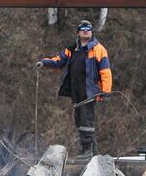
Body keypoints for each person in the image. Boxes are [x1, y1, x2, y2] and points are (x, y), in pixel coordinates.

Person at [36, 20, 112, 155]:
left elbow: (105, 71)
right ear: (78, 33)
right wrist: (44, 62)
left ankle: (87, 150)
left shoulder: (99, 49)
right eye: (83, 29)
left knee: (86, 119)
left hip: (90, 91)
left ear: (92, 32)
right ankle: (90, 149)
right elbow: (59, 60)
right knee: (79, 120)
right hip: (75, 90)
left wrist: (106, 91)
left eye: (88, 29)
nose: (85, 31)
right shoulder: (71, 49)